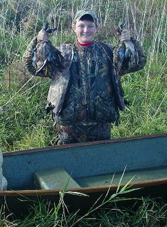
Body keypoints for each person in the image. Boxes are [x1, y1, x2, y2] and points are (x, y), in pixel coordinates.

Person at [23, 9, 146, 144]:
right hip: (69, 126)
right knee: (69, 163)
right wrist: (38, 41)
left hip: (100, 125)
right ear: (74, 27)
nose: (86, 30)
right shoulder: (62, 54)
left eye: (90, 26)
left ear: (96, 28)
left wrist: (129, 41)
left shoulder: (108, 53)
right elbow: (32, 66)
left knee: (101, 161)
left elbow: (137, 63)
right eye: (81, 26)